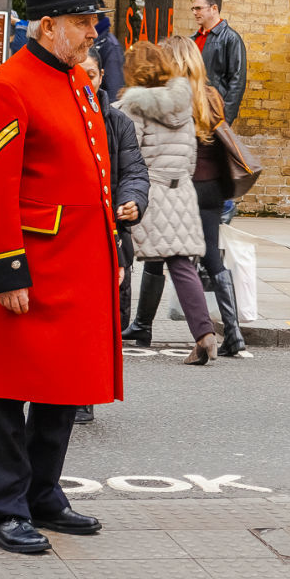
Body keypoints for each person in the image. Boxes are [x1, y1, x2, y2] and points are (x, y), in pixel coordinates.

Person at [0, 0, 118, 554]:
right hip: (28, 263)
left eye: (93, 22)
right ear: (48, 26)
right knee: (8, 391)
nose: (92, 32)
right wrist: (4, 271)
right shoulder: (9, 87)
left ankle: (44, 494)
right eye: (83, 23)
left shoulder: (78, 80)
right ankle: (3, 510)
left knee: (63, 387)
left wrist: (110, 254)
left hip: (77, 264)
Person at [118, 40, 220, 364]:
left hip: (148, 191)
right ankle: (204, 335)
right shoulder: (182, 103)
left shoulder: (133, 107)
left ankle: (113, 329)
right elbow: (189, 157)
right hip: (181, 190)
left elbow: (129, 156)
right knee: (181, 263)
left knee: (120, 256)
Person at [159, 34, 251, 357]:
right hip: (214, 188)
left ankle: (197, 330)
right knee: (212, 255)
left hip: (187, 186)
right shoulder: (212, 95)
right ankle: (234, 332)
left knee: (174, 256)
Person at [75, 49, 149, 423]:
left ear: (102, 76)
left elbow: (135, 171)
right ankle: (60, 394)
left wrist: (133, 201)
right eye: (80, 74)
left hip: (109, 237)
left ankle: (84, 395)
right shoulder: (62, 116)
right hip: (71, 235)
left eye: (92, 74)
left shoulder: (118, 123)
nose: (87, 81)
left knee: (105, 321)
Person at [190, 0, 247, 124]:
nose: (194, 13)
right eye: (193, 9)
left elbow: (237, 82)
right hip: (192, 113)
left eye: (198, 8)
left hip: (214, 115)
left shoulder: (231, 39)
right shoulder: (192, 39)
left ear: (214, 8)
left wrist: (224, 119)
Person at [92, 14, 126, 101]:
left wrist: (108, 112)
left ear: (95, 19)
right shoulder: (96, 42)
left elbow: (115, 87)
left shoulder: (111, 46)